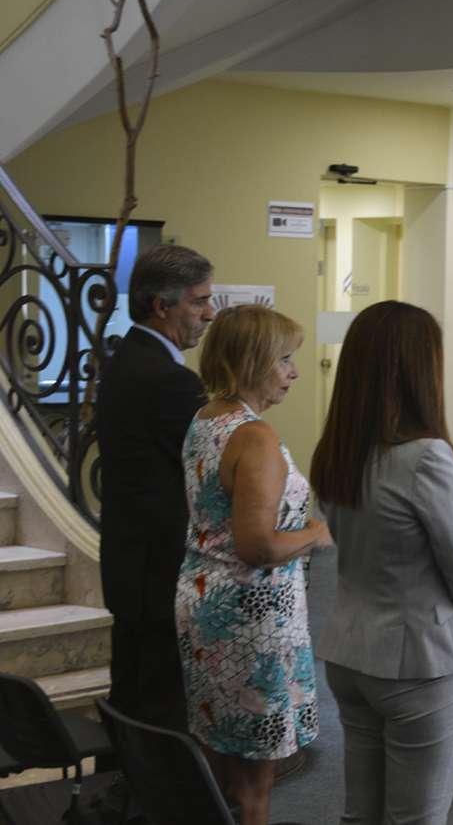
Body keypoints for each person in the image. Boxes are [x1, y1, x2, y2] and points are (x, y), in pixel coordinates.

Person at [311, 301, 453, 825]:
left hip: (349, 653)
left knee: (362, 815)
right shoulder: (426, 458)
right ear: (419, 371)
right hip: (422, 661)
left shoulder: (337, 452)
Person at [175, 305, 331, 825]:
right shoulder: (254, 436)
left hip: (206, 600)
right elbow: (258, 547)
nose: (294, 372)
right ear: (251, 361)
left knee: (220, 755)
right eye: (283, 359)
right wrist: (316, 533)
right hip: (250, 617)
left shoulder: (206, 418)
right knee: (254, 785)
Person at [96, 244, 214, 731]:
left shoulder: (125, 358)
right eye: (199, 301)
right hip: (161, 570)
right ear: (162, 306)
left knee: (132, 692)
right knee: (159, 709)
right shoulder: (170, 380)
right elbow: (213, 469)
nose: (210, 314)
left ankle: (125, 772)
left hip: (131, 562)